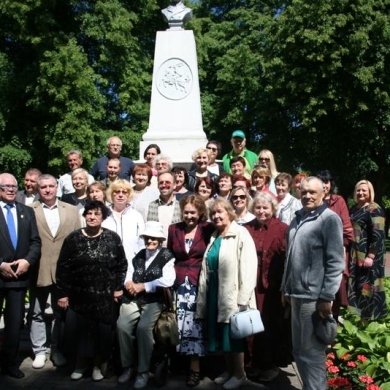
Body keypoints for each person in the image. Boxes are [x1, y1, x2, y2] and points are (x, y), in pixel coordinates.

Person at [281, 177, 344, 390]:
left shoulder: (329, 219)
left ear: (323, 194)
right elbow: (290, 257)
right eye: (304, 191)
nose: (307, 195)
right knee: (298, 350)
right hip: (295, 294)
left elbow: (336, 261)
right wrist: (285, 287)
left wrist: (327, 297)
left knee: (313, 352)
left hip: (314, 297)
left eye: (312, 192)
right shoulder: (298, 218)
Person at [56, 201, 127, 381]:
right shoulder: (73, 238)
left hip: (104, 295)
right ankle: (80, 365)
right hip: (79, 295)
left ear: (103, 217)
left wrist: (118, 288)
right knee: (80, 332)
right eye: (89, 213)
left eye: (96, 214)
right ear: (84, 215)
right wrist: (63, 293)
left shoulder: (113, 238)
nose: (92, 217)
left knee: (101, 333)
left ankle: (97, 365)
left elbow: (121, 265)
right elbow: (63, 267)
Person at [196, 198, 257, 390]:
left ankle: (240, 374)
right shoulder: (215, 235)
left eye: (220, 212)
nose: (216, 216)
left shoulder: (240, 233)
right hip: (216, 291)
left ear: (229, 212)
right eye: (213, 213)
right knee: (222, 334)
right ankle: (229, 371)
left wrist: (243, 297)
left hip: (233, 292)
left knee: (234, 336)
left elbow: (249, 265)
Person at [29, 174, 81, 369]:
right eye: (44, 187)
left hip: (65, 271)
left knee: (60, 314)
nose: (48, 190)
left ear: (57, 186)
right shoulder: (29, 210)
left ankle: (56, 349)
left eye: (51, 186)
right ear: (38, 189)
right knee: (37, 312)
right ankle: (39, 350)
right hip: (38, 268)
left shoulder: (72, 210)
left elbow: (77, 241)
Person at [116, 221, 175, 388]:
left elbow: (168, 279)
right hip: (134, 297)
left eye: (154, 238)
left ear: (160, 240)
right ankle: (128, 367)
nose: (150, 241)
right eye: (147, 237)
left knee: (143, 328)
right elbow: (129, 271)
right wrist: (128, 283)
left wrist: (144, 286)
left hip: (154, 300)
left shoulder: (167, 256)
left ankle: (143, 371)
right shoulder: (139, 254)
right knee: (122, 326)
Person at [167, 196, 214, 387]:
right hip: (178, 283)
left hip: (198, 283)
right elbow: (170, 254)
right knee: (178, 325)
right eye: (186, 212)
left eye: (193, 212)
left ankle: (195, 369)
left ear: (200, 212)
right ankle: (178, 364)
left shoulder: (207, 228)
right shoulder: (174, 229)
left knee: (195, 326)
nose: (189, 216)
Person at [0, 173, 41, 379]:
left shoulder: (26, 211)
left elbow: (35, 241)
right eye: (6, 186)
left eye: (14, 186)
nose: (10, 190)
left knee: (15, 323)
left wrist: (27, 261)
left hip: (18, 277)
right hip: (0, 272)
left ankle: (9, 363)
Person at [244, 192, 288, 382]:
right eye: (258, 208)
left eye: (265, 207)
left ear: (273, 209)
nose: (261, 211)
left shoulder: (283, 228)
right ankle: (251, 364)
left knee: (270, 325)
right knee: (251, 325)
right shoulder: (246, 228)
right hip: (251, 285)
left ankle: (269, 364)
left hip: (273, 286)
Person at [315, 170, 354, 320]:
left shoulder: (339, 201)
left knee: (335, 292)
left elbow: (347, 229)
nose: (324, 185)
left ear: (331, 184)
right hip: (316, 255)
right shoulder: (313, 201)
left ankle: (332, 331)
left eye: (326, 182)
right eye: (321, 182)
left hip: (336, 251)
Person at [348, 180, 387, 322]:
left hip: (369, 257)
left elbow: (378, 233)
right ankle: (357, 317)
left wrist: (371, 255)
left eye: (364, 190)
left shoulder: (374, 209)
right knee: (357, 285)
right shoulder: (353, 209)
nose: (361, 193)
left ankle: (369, 319)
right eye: (358, 190)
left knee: (368, 287)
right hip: (355, 256)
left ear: (370, 192)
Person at [103, 180, 145, 268]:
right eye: (117, 191)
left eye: (124, 192)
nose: (120, 195)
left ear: (128, 195)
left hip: (131, 264)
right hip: (107, 264)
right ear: (111, 194)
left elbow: (142, 242)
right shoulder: (104, 215)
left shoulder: (136, 216)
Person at [146, 172, 181, 242]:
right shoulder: (150, 205)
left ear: (174, 185)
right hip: (156, 248)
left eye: (167, 182)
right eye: (161, 183)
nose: (164, 185)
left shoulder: (181, 206)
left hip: (175, 248)